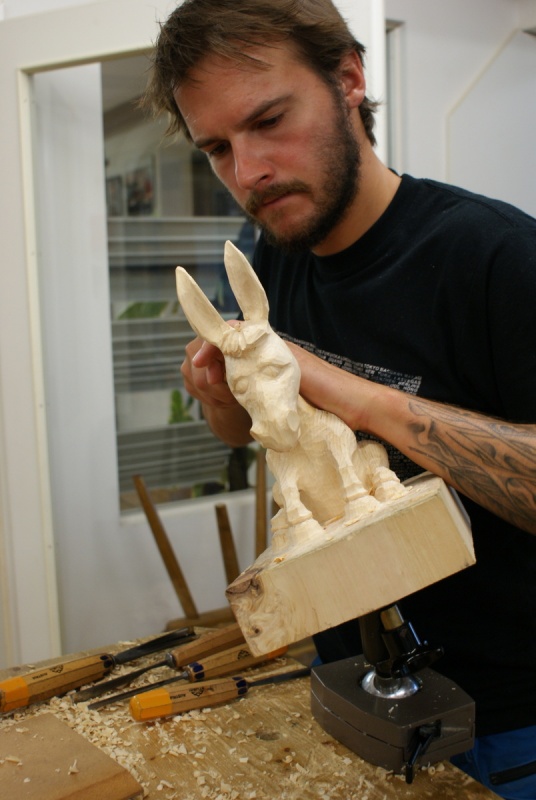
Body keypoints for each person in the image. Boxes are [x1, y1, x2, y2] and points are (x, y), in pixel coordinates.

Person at [143, 1, 536, 796]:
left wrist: (335, 386)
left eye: (269, 121)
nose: (247, 172)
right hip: (350, 689)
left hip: (508, 725)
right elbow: (257, 433)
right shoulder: (273, 252)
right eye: (217, 148)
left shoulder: (497, 256)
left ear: (349, 79)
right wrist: (222, 398)